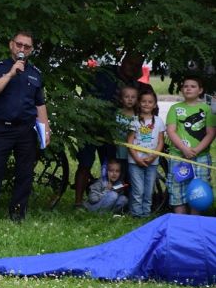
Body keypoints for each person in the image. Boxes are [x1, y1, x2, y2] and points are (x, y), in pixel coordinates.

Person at [0, 31, 50, 221]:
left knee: (24, 174)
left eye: (27, 46)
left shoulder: (35, 74)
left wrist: (46, 128)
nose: (22, 49)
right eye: (19, 44)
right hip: (3, 129)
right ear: (11, 45)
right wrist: (10, 74)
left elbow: (39, 104)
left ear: (31, 50)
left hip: (26, 130)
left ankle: (17, 215)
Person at [74, 52, 153, 208]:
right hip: (90, 128)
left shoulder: (138, 86)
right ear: (123, 61)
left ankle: (110, 200)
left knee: (113, 167)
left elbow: (148, 101)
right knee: (85, 165)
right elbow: (87, 93)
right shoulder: (105, 73)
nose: (133, 68)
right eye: (131, 63)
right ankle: (78, 202)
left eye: (137, 65)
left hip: (112, 134)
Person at [165, 75, 216, 215]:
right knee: (177, 189)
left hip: (201, 157)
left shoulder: (207, 109)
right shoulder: (175, 108)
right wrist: (184, 149)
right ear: (181, 89)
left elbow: (211, 132)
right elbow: (171, 130)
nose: (188, 88)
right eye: (185, 86)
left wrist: (196, 150)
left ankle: (195, 221)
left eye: (193, 86)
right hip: (178, 156)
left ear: (200, 90)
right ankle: (180, 221)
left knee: (198, 190)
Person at [127, 91, 165, 217]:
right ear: (139, 103)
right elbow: (129, 142)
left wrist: (153, 156)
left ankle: (146, 214)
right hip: (135, 162)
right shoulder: (134, 121)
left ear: (154, 105)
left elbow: (160, 142)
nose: (146, 104)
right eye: (143, 101)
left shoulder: (159, 121)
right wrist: (137, 159)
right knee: (138, 190)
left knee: (148, 191)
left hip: (152, 163)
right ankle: (136, 215)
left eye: (150, 102)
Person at [115, 85, 138, 181]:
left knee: (132, 178)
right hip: (119, 152)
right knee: (120, 176)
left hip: (134, 154)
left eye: (133, 97)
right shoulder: (117, 114)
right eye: (127, 97)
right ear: (121, 99)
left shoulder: (138, 115)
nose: (130, 99)